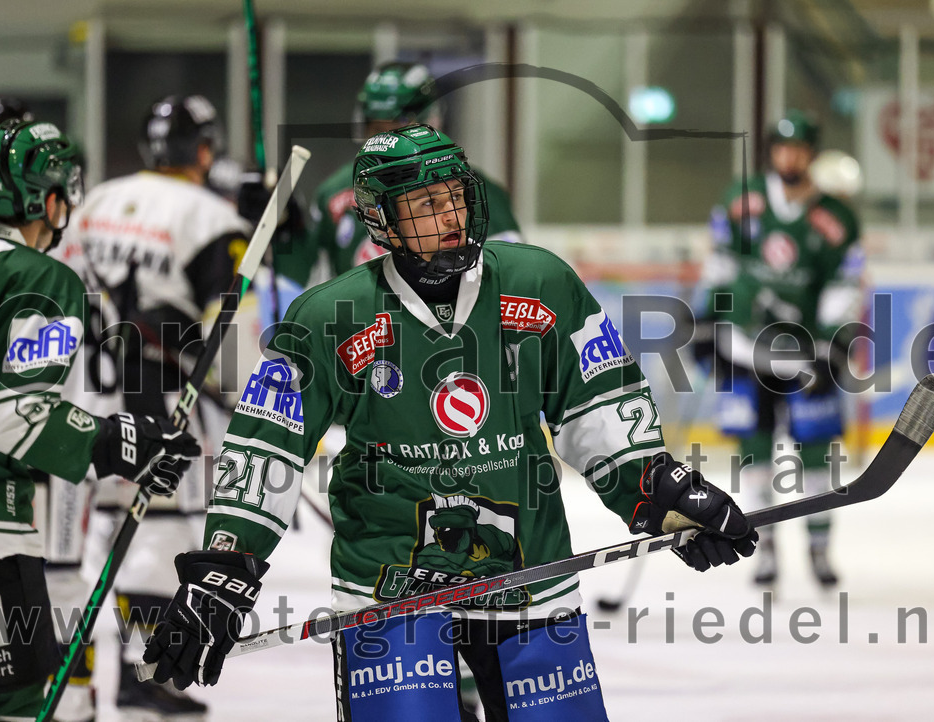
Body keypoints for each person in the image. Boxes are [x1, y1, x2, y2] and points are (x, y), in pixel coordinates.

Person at [142, 124, 759, 722]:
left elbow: (597, 409)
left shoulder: (541, 285)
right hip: (391, 584)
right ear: (381, 221)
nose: (449, 217)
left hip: (527, 576)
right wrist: (226, 567)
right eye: (424, 205)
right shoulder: (330, 314)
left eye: (455, 198)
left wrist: (660, 491)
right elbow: (266, 448)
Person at [0, 117, 200, 722]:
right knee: (14, 705)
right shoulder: (34, 277)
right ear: (48, 200)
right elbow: (12, 415)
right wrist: (116, 441)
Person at [55, 94, 251, 717]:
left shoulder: (95, 203)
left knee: (79, 547)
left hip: (84, 396)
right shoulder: (210, 217)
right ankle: (145, 676)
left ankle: (73, 680)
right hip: (159, 403)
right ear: (204, 149)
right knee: (158, 534)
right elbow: (234, 341)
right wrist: (241, 396)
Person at [702, 109, 863, 588]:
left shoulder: (835, 218)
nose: (789, 156)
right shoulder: (741, 201)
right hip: (744, 345)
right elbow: (721, 264)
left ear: (811, 155)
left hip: (805, 350)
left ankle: (818, 551)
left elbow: (843, 283)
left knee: (816, 452)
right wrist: (708, 316)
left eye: (799, 148)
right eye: (781, 147)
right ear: (772, 152)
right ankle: (764, 548)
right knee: (754, 453)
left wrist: (835, 338)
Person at [280, 61, 521, 288]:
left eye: (399, 128)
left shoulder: (470, 187)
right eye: (377, 130)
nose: (388, 141)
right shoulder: (334, 193)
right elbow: (304, 283)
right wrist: (286, 230)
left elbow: (510, 278)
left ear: (432, 122)